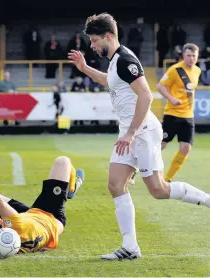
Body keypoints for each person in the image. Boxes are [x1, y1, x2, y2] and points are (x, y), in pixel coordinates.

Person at [68, 13, 210, 261]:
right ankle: (130, 247)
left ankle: (207, 200)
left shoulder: (125, 59)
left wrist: (132, 133)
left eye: (93, 40)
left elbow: (146, 95)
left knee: (158, 190)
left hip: (142, 132)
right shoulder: (113, 61)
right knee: (115, 185)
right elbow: (109, 82)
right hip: (129, 133)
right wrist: (85, 68)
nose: (91, 45)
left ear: (108, 36)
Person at [157, 43, 201, 182]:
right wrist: (171, 98)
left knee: (185, 149)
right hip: (172, 114)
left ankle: (167, 179)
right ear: (183, 55)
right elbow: (160, 86)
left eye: (194, 56)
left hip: (188, 116)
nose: (191, 58)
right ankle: (137, 168)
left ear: (197, 56)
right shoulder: (175, 70)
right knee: (161, 145)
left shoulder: (197, 71)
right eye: (188, 55)